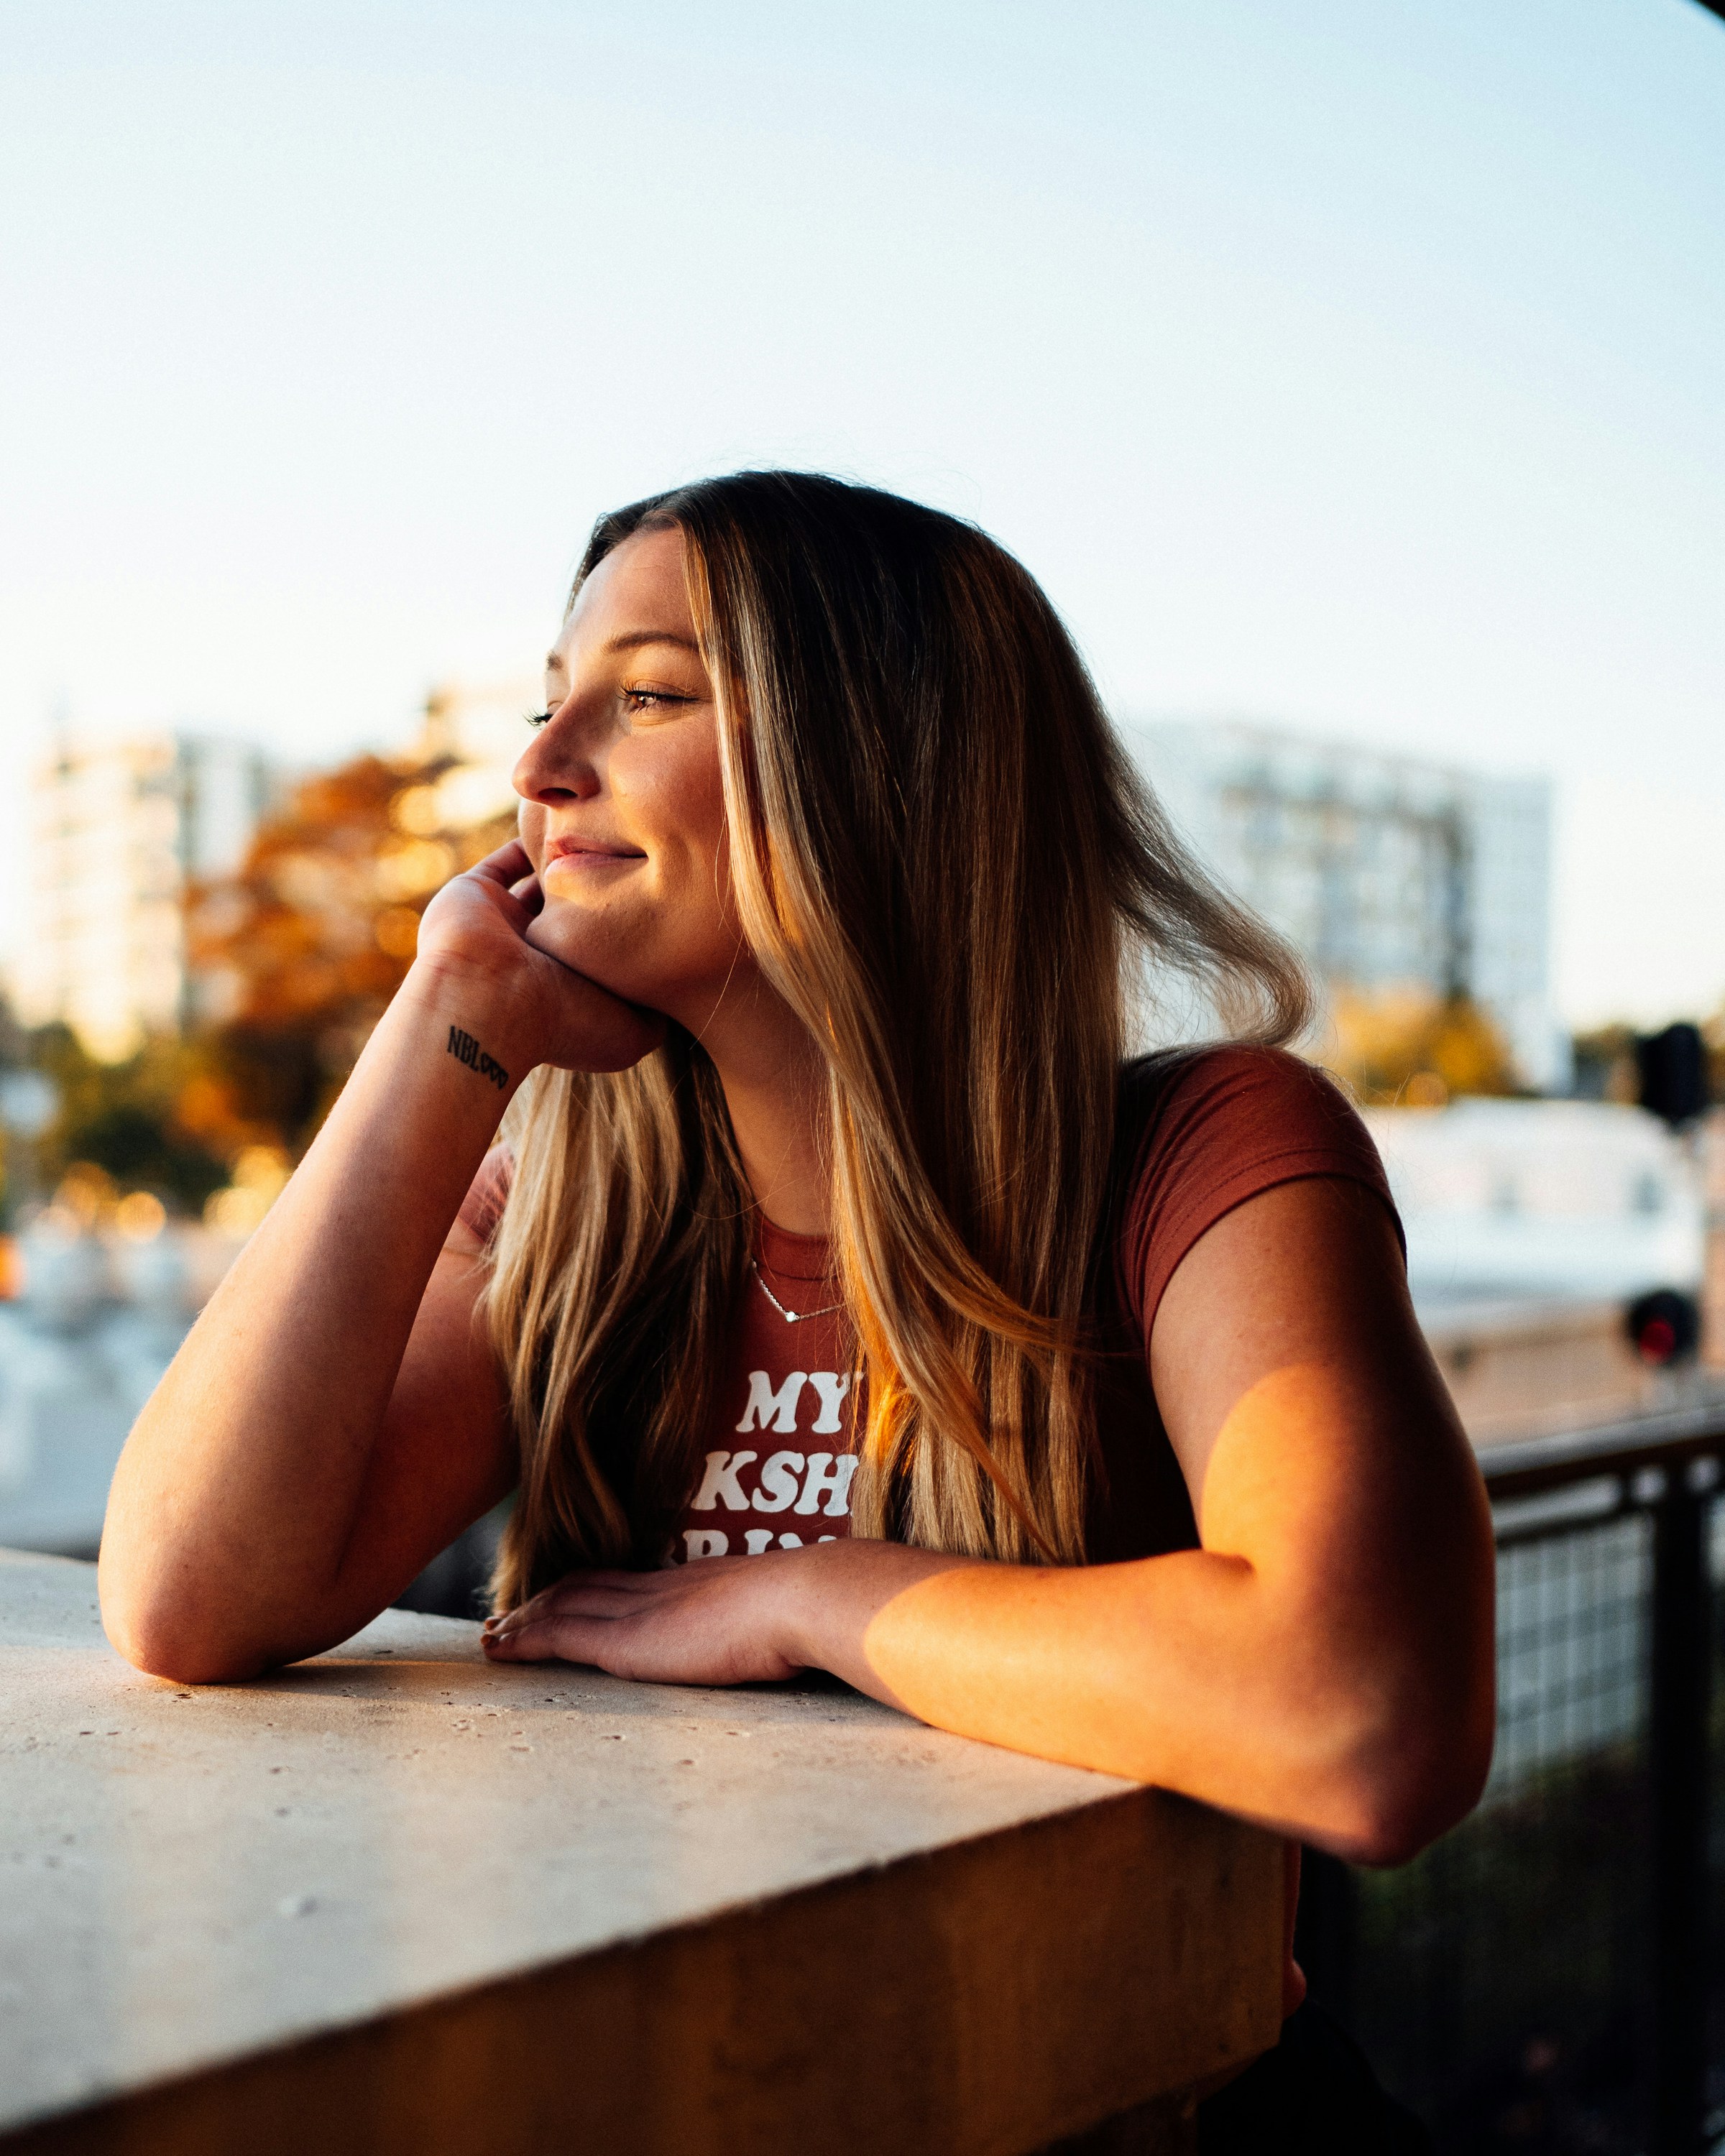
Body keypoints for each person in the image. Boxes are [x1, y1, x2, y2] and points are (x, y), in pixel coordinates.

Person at [101, 471, 1494, 2149]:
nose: (539, 773)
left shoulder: (1201, 1154)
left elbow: (1364, 1718)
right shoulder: (575, 1219)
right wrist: (444, 1012)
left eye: (649, 696)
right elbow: (188, 1598)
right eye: (549, 707)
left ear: (876, 769)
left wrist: (823, 1598)